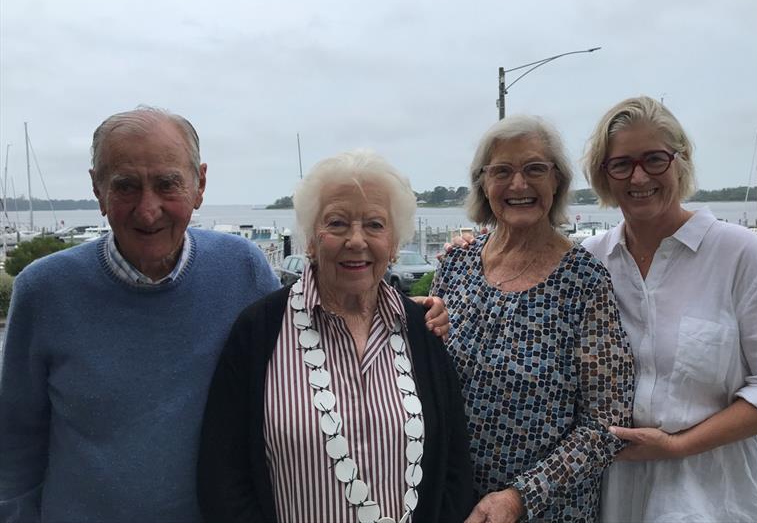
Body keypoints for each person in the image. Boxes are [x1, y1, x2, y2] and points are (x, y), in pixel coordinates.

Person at [0, 106, 451, 522]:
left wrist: (405, 313)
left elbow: (310, 324)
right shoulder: (44, 290)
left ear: (199, 186)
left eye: (167, 183)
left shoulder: (240, 267)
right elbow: (15, 438)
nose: (148, 207)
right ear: (97, 188)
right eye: (125, 185)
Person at [197, 149, 474, 523]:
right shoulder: (258, 331)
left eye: (375, 224)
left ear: (393, 243)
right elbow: (223, 476)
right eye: (338, 223)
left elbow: (454, 465)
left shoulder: (422, 330)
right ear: (311, 239)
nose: (356, 240)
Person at [581, 96, 757, 522]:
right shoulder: (591, 261)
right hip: (620, 502)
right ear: (604, 175)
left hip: (722, 502)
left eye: (655, 159)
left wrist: (678, 445)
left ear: (681, 161)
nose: (639, 176)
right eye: (621, 163)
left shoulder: (739, 254)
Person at [430, 115, 634, 522]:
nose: (518, 185)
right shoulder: (456, 264)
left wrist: (519, 497)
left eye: (535, 169)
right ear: (483, 184)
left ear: (556, 181)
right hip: (450, 501)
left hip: (545, 511)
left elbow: (606, 426)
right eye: (502, 171)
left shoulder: (584, 282)